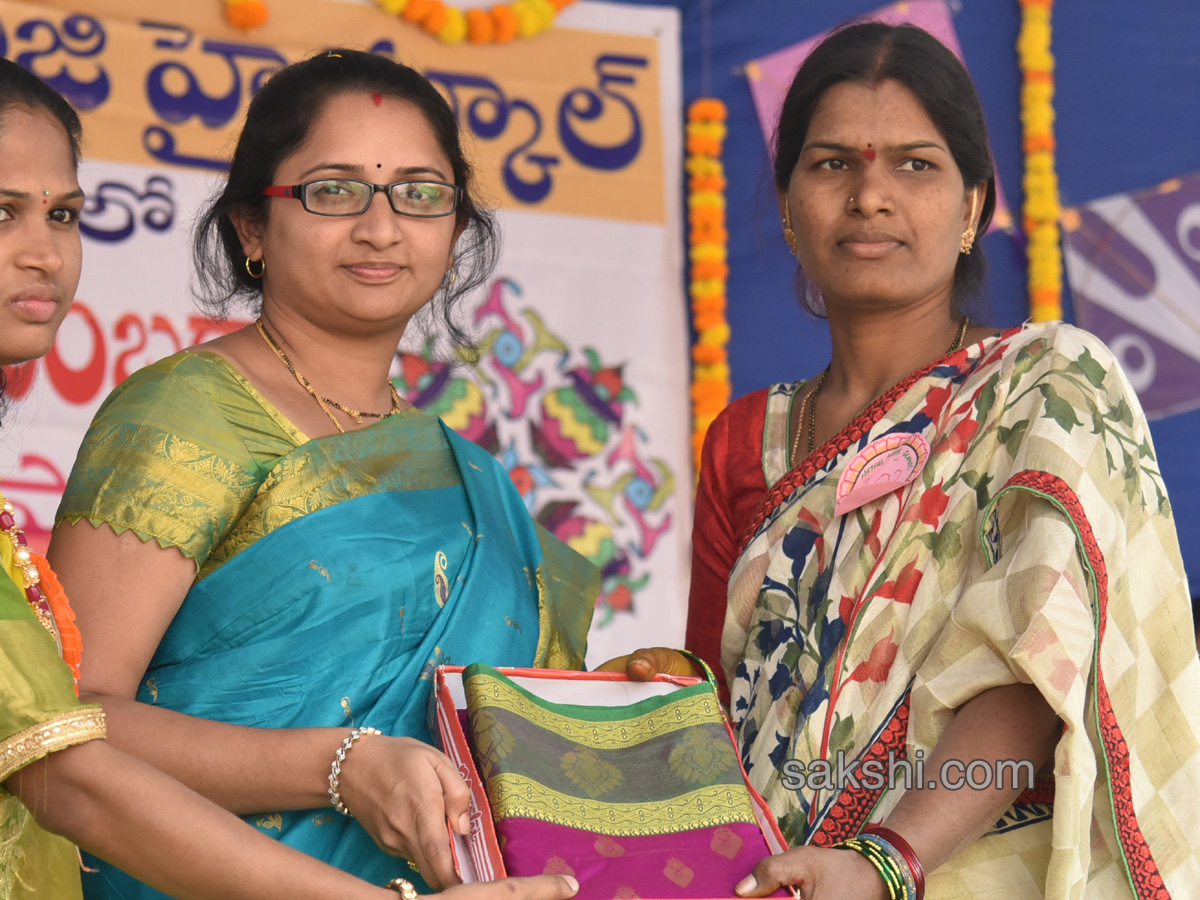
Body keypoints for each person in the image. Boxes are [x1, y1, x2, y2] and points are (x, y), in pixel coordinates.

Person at [618, 22, 1200, 900]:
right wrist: (643, 695)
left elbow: (1050, 650)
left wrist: (888, 861)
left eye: (915, 165)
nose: (870, 197)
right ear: (786, 204)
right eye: (832, 165)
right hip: (781, 879)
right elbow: (722, 698)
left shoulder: (1048, 385)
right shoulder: (747, 439)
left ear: (973, 205)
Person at [0, 56, 582, 900]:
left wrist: (638, 710)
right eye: (334, 191)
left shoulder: (475, 482)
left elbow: (509, 747)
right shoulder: (189, 414)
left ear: (458, 229)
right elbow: (70, 738)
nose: (381, 228)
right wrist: (342, 765)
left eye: (419, 193)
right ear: (251, 229)